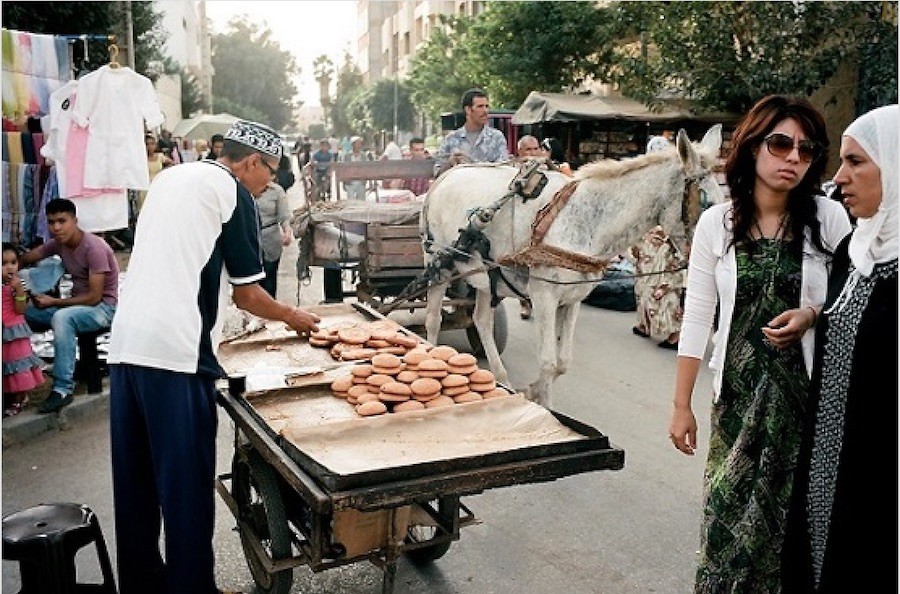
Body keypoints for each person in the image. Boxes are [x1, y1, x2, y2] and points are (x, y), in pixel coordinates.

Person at [106, 120, 320, 594]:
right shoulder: (233, 192)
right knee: (186, 491)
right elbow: (249, 295)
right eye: (271, 173)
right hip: (176, 357)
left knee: (136, 488)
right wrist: (294, 317)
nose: (271, 184)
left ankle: (142, 587)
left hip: (124, 348)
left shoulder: (169, 177)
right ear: (250, 163)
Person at [666, 95, 852, 593]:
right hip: (737, 400)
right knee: (727, 513)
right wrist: (681, 405)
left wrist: (812, 315)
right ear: (752, 147)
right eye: (780, 143)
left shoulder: (829, 221)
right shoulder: (716, 224)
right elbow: (698, 316)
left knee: (787, 526)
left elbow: (853, 302)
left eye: (807, 150)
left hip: (804, 402)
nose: (793, 157)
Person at [780, 104, 898, 594]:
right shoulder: (856, 251)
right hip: (827, 451)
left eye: (856, 162)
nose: (840, 177)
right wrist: (811, 314)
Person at [20, 198, 120, 414]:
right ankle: (25, 376)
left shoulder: (94, 248)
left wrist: (54, 301)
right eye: (51, 222)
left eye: (62, 221)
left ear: (75, 220)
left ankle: (62, 389)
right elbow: (30, 256)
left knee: (61, 318)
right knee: (22, 313)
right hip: (76, 308)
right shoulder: (59, 243)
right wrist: (11, 264)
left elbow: (94, 297)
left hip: (102, 309)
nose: (56, 227)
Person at [2, 242, 44, 417]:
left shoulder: (19, 284)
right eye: (3, 263)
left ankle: (19, 399)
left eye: (13, 262)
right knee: (6, 366)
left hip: (15, 331)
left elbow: (20, 309)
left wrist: (18, 289)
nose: (9, 267)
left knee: (18, 365)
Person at [628, 225, 686, 349]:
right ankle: (644, 326)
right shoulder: (644, 238)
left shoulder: (670, 245)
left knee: (666, 301)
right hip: (645, 273)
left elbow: (676, 269)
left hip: (664, 276)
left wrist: (665, 287)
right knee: (643, 296)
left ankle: (675, 335)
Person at [434, 88, 509, 175]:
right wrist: (450, 163)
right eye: (480, 106)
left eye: (487, 106)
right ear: (468, 110)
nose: (485, 111)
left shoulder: (496, 138)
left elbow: (504, 170)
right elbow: (437, 174)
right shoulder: (451, 139)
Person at [513, 134, 545, 319]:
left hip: (545, 224)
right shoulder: (515, 171)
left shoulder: (550, 169)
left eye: (536, 149)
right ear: (519, 152)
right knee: (522, 265)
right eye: (528, 150)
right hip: (523, 224)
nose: (533, 154)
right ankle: (524, 302)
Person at [256, 180, 292, 299]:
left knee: (269, 277)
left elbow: (284, 216)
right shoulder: (242, 188)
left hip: (270, 238)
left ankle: (269, 311)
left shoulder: (276, 191)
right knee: (252, 279)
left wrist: (287, 232)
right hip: (248, 238)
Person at [136, 133, 173, 217]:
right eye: (147, 144)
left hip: (158, 187)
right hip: (145, 189)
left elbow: (173, 163)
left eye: (152, 144)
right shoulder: (141, 159)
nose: (150, 147)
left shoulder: (160, 156)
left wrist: (164, 172)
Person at [341, 135, 372, 200]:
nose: (358, 145)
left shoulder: (364, 155)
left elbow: (367, 168)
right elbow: (344, 169)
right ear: (352, 145)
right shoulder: (347, 156)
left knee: (361, 200)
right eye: (357, 144)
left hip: (361, 181)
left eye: (360, 144)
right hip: (350, 181)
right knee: (351, 200)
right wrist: (344, 182)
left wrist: (368, 181)